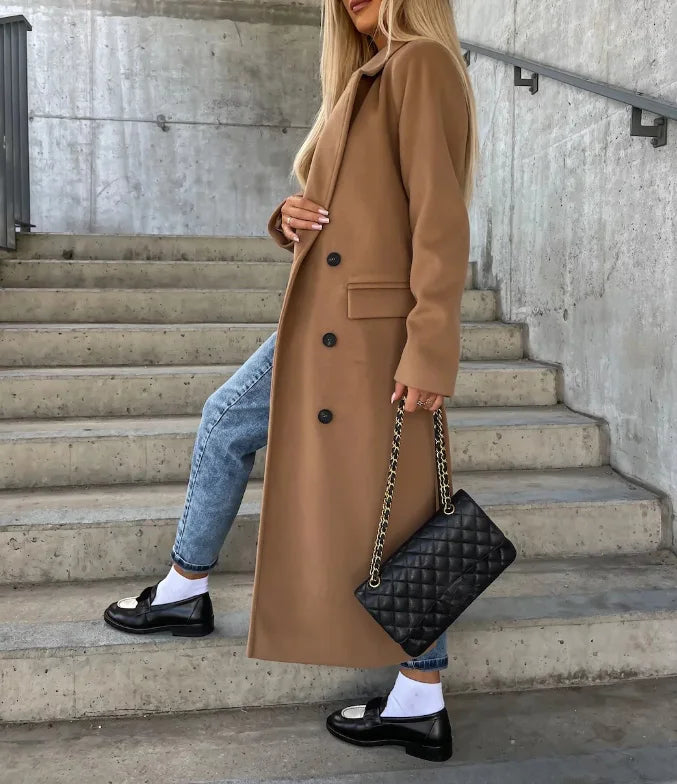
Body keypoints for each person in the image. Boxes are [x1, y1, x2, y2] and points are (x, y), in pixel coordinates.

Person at [103, 0, 477, 763]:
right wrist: (289, 219)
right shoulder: (365, 76)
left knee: (405, 507)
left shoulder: (419, 64)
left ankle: (418, 692)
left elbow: (439, 218)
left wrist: (430, 346)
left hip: (373, 335)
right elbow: (357, 214)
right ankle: (188, 587)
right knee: (244, 428)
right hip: (333, 325)